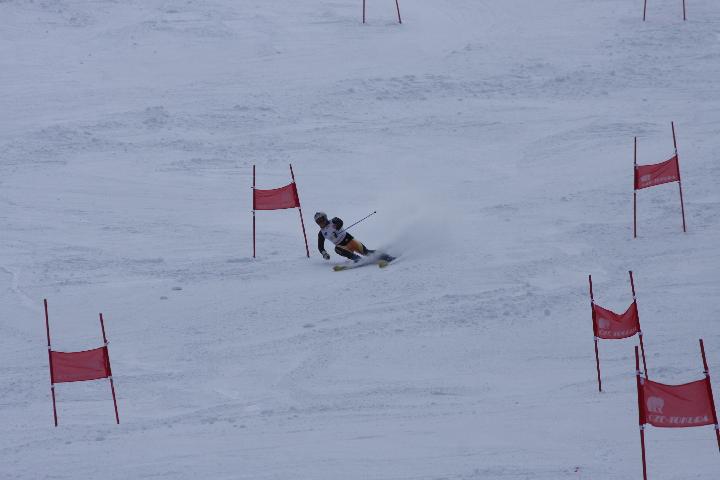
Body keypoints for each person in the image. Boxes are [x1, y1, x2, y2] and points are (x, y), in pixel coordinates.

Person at [314, 212, 394, 263]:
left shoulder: (333, 220)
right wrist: (324, 254)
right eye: (318, 221)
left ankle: (386, 257)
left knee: (366, 252)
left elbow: (340, 222)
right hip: (342, 246)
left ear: (325, 218)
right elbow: (320, 246)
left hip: (349, 240)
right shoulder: (321, 233)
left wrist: (337, 228)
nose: (321, 222)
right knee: (337, 249)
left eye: (321, 219)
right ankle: (357, 259)